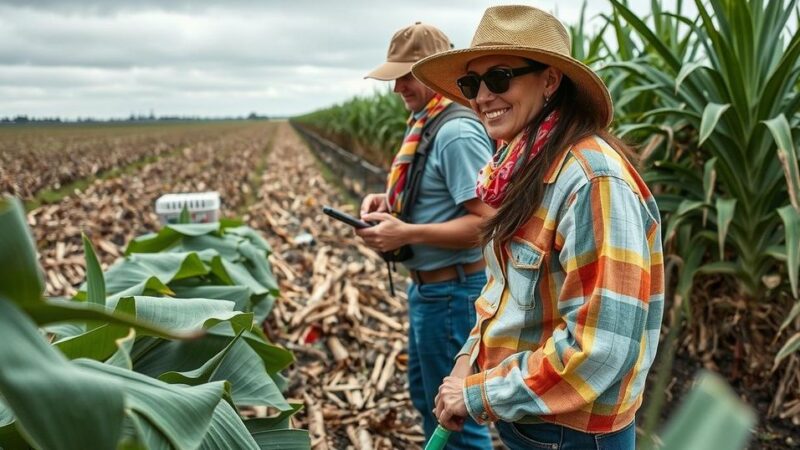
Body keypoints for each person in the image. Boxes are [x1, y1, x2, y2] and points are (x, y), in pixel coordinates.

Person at [411, 5, 665, 450]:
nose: (483, 97)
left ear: (550, 80)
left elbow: (599, 349)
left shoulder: (592, 181)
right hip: (532, 421)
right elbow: (502, 295)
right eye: (472, 84)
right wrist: (464, 364)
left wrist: (477, 394)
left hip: (572, 434)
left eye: (500, 77)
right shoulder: (519, 167)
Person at [356, 22, 494, 449]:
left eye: (406, 74)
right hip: (432, 293)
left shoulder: (454, 132)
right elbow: (440, 193)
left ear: (436, 75)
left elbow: (489, 223)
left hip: (453, 292)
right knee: (427, 399)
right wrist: (389, 202)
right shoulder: (427, 124)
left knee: (456, 421)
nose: (397, 87)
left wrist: (407, 231)